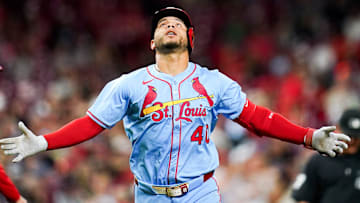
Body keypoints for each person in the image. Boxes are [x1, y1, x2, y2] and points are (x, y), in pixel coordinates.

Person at [0, 6, 351, 202]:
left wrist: (308, 137)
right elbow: (92, 124)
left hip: (199, 191)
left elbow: (257, 118)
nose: (170, 26)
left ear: (189, 38)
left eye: (178, 24)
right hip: (150, 194)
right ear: (152, 41)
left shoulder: (214, 81)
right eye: (163, 24)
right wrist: (44, 142)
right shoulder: (128, 84)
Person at [292, 108, 360, 203]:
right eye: (348, 135)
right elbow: (304, 198)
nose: (352, 141)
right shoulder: (319, 160)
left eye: (356, 137)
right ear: (338, 129)